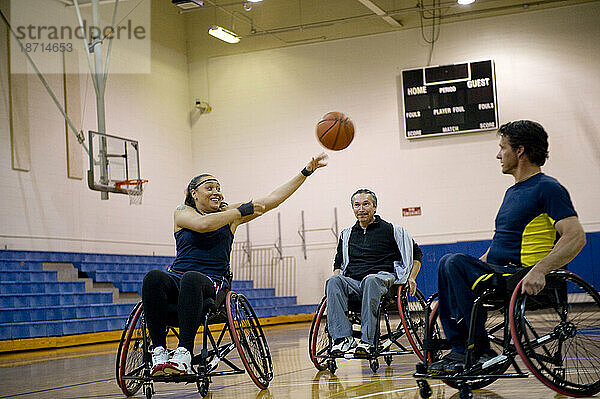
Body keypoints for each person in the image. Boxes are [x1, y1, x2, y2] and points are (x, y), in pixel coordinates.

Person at [143, 153, 328, 376]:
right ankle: (159, 352)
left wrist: (306, 171)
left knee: (193, 277)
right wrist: (238, 211)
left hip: (212, 284)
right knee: (154, 277)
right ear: (194, 194)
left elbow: (273, 199)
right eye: (209, 188)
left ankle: (183, 352)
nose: (216, 192)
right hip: (178, 278)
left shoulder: (231, 215)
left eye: (218, 188)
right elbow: (203, 225)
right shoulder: (183, 212)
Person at [428, 120, 587, 375]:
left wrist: (540, 270)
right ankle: (462, 350)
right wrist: (472, 267)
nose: (498, 154)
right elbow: (501, 243)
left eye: (503, 148)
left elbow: (576, 236)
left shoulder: (548, 188)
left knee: (451, 260)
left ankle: (476, 350)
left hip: (519, 276)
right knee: (450, 265)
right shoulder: (512, 193)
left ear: (520, 151)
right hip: (500, 273)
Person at [325, 188, 423, 357]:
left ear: (375, 207)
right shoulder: (347, 235)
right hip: (355, 283)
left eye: (366, 204)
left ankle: (368, 342)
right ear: (353, 208)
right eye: (357, 205)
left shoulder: (392, 230)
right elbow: (338, 262)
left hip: (384, 280)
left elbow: (417, 254)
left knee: (371, 280)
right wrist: (338, 284)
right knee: (333, 281)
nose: (361, 209)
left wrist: (412, 278)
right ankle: (342, 339)